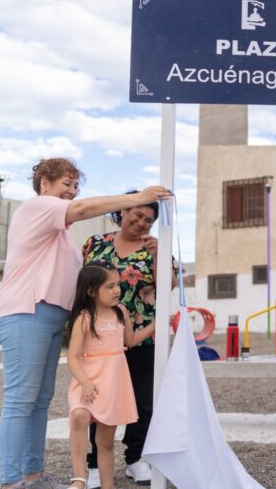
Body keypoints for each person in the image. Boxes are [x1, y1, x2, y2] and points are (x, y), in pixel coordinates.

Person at [0, 158, 170, 489]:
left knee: (40, 400)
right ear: (44, 183)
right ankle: (11, 481)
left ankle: (33, 475)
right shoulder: (37, 207)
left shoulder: (61, 236)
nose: (72, 192)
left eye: (76, 186)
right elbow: (84, 208)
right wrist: (136, 197)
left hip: (49, 318)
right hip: (26, 311)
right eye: (66, 184)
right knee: (20, 399)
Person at [81, 192, 174, 488]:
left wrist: (160, 255)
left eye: (149, 219)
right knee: (98, 399)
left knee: (141, 400)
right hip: (99, 337)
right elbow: (80, 281)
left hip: (142, 334)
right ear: (122, 212)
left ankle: (136, 458)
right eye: (136, 214)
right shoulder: (95, 244)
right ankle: (95, 463)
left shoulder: (155, 248)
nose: (141, 221)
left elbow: (167, 286)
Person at [66, 263, 156, 489]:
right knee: (79, 416)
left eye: (118, 285)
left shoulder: (121, 313)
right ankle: (79, 478)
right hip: (88, 382)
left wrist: (155, 325)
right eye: (110, 286)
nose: (117, 290)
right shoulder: (84, 318)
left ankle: (108, 486)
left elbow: (131, 341)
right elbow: (73, 358)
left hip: (112, 384)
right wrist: (85, 382)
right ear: (91, 291)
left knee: (105, 442)